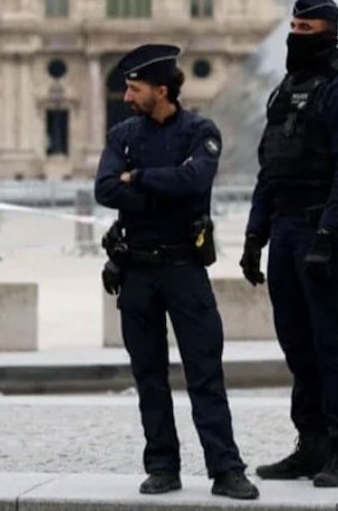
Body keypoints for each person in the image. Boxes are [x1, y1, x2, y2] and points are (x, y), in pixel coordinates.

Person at [94, 44, 258, 500]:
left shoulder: (200, 130)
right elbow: (105, 188)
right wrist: (161, 184)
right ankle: (162, 466)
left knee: (205, 373)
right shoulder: (123, 134)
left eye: (134, 88)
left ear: (161, 90)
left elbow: (195, 182)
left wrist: (139, 179)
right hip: (137, 270)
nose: (126, 96)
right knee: (148, 376)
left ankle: (226, 468)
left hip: (185, 269)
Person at [240, 0, 338, 488]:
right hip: (285, 228)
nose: (295, 39)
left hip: (324, 230)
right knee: (297, 342)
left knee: (332, 342)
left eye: (305, 32)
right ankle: (310, 441)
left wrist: (328, 233)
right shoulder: (286, 88)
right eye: (292, 30)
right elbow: (270, 165)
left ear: (328, 33)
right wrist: (256, 235)